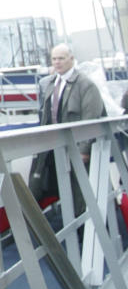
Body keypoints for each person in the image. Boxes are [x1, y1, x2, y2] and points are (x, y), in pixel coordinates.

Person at [28, 43, 105, 215]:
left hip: (76, 149)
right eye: (54, 59)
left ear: (71, 59)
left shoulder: (86, 85)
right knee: (39, 186)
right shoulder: (50, 84)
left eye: (61, 58)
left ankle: (83, 232)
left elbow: (91, 119)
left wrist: (84, 149)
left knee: (80, 193)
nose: (57, 62)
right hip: (53, 148)